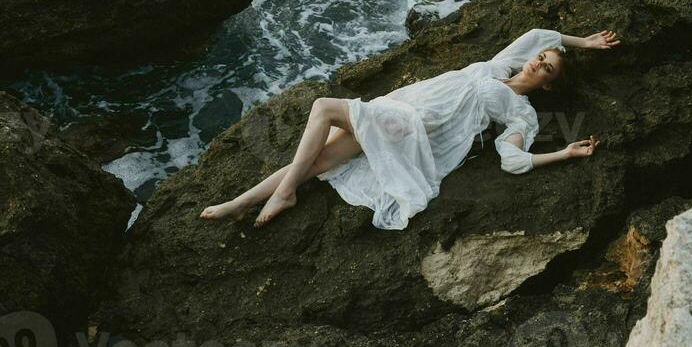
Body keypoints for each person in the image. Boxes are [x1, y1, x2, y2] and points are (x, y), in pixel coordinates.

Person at [200, 28, 621, 229]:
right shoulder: (500, 65)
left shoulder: (521, 112)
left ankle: (285, 192)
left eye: (546, 67)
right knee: (317, 158)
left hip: (414, 126)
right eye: (540, 58)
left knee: (324, 108)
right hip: (398, 106)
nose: (537, 61)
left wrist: (564, 153)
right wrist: (581, 42)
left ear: (547, 82)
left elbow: (512, 159)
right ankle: (240, 202)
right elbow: (538, 34)